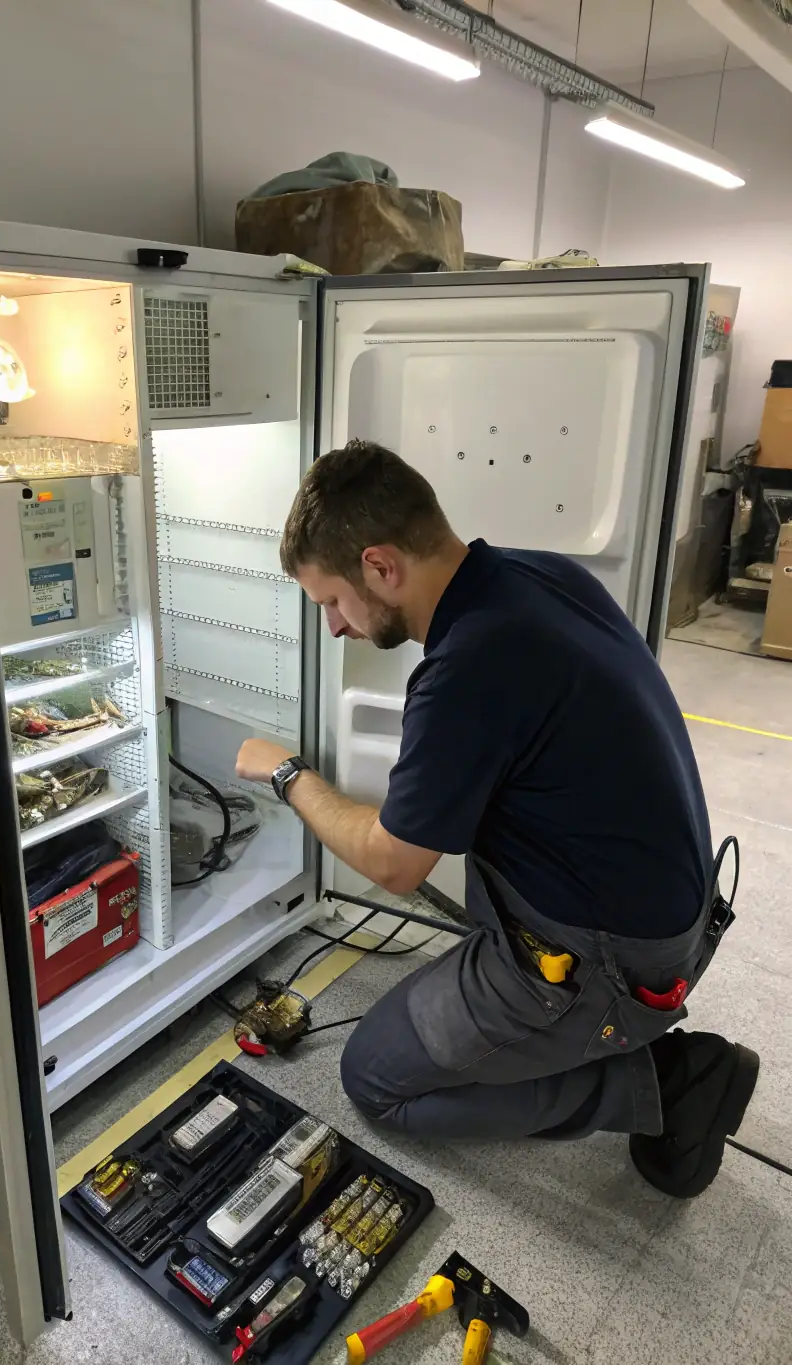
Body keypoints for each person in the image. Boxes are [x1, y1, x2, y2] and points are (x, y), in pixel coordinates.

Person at [235, 440, 758, 1198]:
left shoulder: (467, 668)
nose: (335, 627)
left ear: (381, 565)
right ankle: (586, 1036)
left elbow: (394, 863)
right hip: (669, 914)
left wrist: (290, 775)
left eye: (331, 601)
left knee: (376, 1078)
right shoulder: (541, 576)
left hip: (608, 960)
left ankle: (667, 1083)